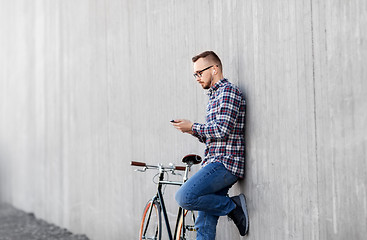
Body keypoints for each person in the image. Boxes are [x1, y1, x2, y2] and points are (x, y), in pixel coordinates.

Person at [171, 50, 249, 239]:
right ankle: (230, 206)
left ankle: (232, 207)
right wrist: (191, 130)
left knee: (184, 197)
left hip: (225, 164)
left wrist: (194, 126)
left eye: (200, 73)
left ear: (214, 69)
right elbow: (213, 136)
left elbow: (223, 130)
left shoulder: (228, 92)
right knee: (203, 228)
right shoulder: (213, 97)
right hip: (214, 162)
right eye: (195, 74)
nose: (197, 78)